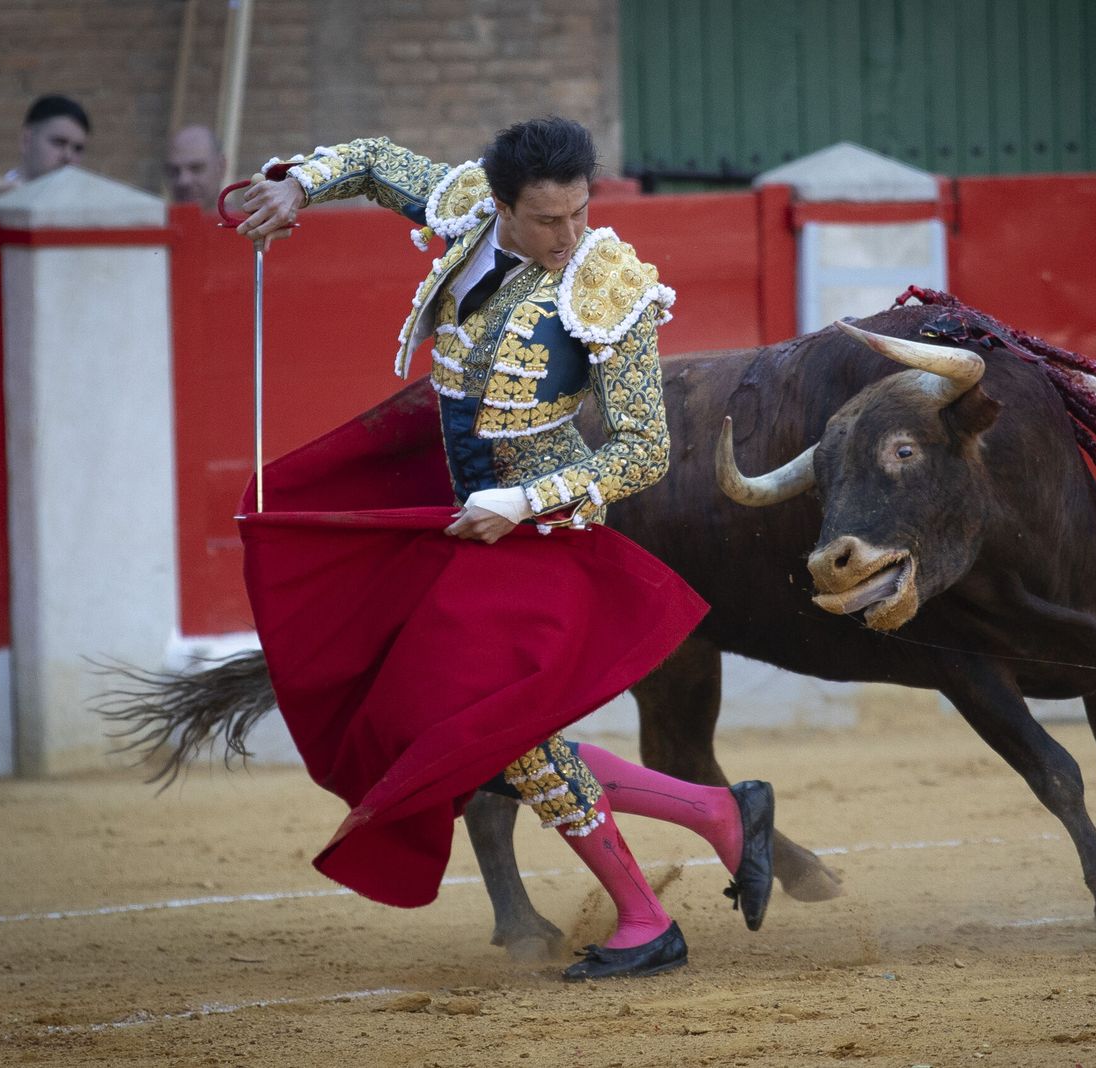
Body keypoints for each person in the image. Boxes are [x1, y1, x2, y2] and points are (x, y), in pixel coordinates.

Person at [234, 117, 774, 981]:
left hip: (545, 533)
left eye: (580, 213)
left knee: (501, 731)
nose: (572, 237)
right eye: (549, 221)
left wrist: (522, 501)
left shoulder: (608, 283)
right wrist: (297, 185)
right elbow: (374, 161)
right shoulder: (461, 206)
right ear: (501, 207)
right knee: (497, 731)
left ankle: (647, 915)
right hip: (462, 522)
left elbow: (642, 449)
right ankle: (719, 816)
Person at [164, 123, 227, 208]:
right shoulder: (153, 220)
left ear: (221, 167)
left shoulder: (245, 220)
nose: (183, 181)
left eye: (196, 168)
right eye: (174, 171)